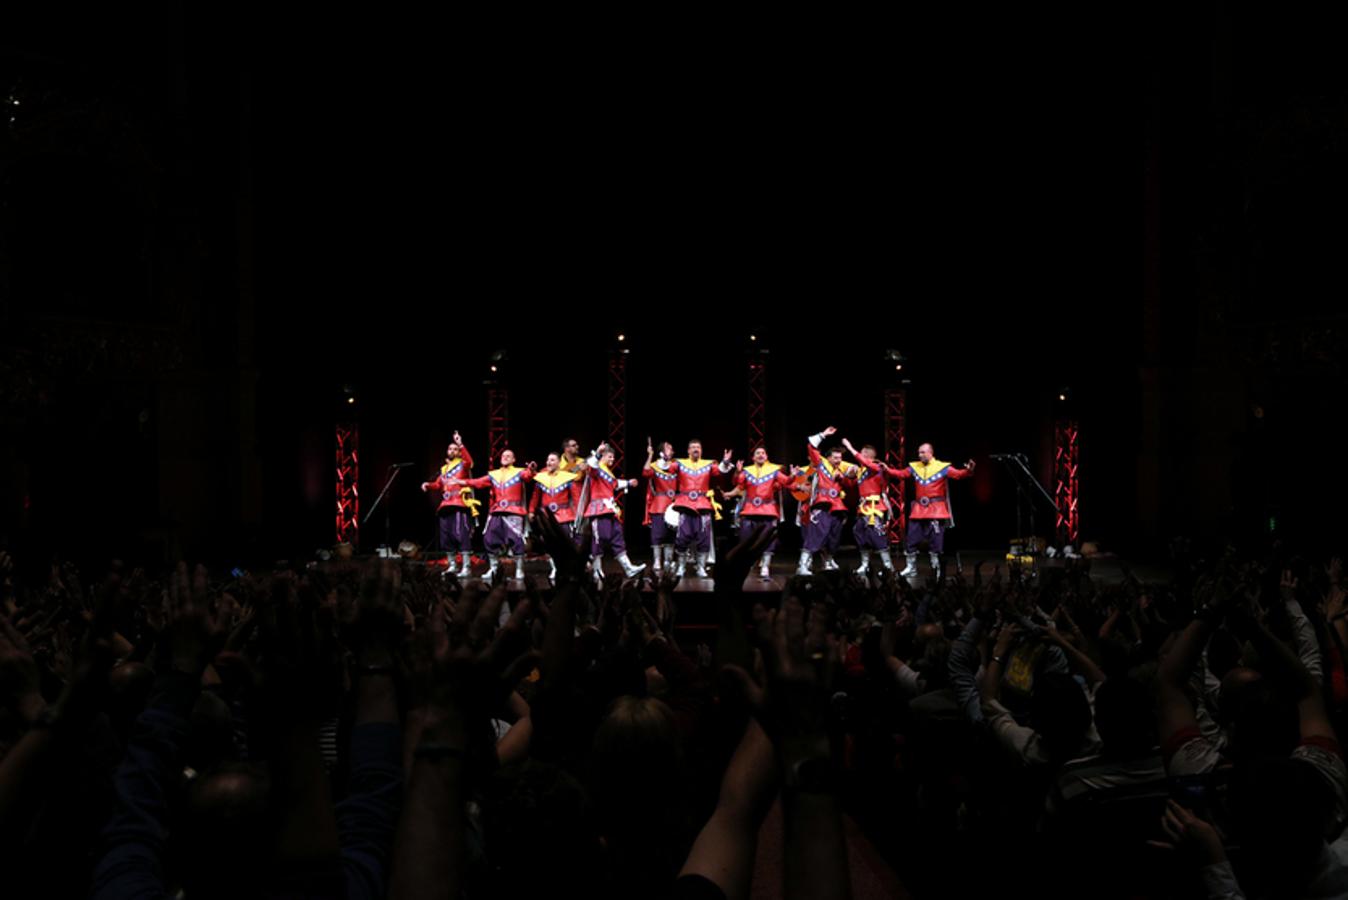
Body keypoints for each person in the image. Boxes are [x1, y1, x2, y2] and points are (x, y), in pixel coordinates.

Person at [888, 443, 975, 579]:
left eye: (922, 452)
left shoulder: (942, 467)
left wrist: (969, 470)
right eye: (918, 453)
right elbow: (901, 474)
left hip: (936, 510)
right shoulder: (914, 467)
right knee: (911, 539)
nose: (920, 455)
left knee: (936, 541)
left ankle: (936, 568)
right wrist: (886, 469)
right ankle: (911, 568)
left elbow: (959, 475)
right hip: (918, 510)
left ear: (930, 453)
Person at [450, 449, 536, 581]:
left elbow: (528, 476)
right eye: (503, 456)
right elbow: (478, 482)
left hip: (513, 511)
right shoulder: (494, 474)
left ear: (514, 460)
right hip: (496, 511)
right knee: (489, 538)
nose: (505, 457)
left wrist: (531, 469)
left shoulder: (519, 472)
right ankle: (494, 568)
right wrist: (461, 482)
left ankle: (519, 570)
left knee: (516, 540)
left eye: (508, 456)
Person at [799, 427, 862, 575]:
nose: (838, 460)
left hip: (837, 506)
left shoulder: (841, 467)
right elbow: (811, 446)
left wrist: (850, 473)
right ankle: (803, 565)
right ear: (828, 458)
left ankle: (828, 561)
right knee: (817, 534)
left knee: (834, 535)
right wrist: (823, 434)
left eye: (840, 458)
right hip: (822, 504)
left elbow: (855, 471)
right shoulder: (821, 463)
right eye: (835, 458)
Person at [667, 440, 734, 578]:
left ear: (701, 450)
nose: (696, 449)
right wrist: (667, 458)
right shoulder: (679, 463)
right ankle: (681, 566)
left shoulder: (709, 465)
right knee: (682, 536)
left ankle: (701, 567)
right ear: (688, 451)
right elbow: (668, 469)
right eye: (693, 447)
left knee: (703, 537)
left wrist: (725, 462)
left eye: (698, 447)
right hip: (685, 504)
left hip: (703, 504)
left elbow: (719, 472)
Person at [840, 437, 905, 575]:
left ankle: (888, 567)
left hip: (875, 507)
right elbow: (851, 485)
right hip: (863, 507)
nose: (859, 456)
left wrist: (850, 447)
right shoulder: (862, 470)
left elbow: (862, 461)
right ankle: (864, 564)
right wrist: (844, 476)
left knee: (877, 536)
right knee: (860, 534)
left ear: (869, 456)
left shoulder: (877, 466)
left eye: (862, 454)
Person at [732, 447, 799, 579]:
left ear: (766, 456)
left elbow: (786, 482)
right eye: (758, 453)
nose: (761, 455)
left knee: (768, 539)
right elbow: (739, 485)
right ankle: (747, 564)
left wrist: (792, 475)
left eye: (763, 453)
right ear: (753, 457)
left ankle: (765, 566)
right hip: (749, 509)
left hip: (767, 510)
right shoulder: (747, 471)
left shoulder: (773, 471)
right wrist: (737, 472)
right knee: (746, 538)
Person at [581, 445, 646, 581]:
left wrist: (629, 483)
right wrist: (598, 453)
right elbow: (592, 465)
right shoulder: (596, 468)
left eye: (613, 456)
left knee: (617, 536)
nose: (613, 459)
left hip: (610, 509)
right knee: (600, 539)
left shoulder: (607, 472)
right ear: (603, 456)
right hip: (598, 510)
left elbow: (615, 484)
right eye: (610, 456)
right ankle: (596, 570)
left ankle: (628, 568)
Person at [420, 431, 479, 577]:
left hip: (459, 504)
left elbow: (470, 461)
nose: (452, 451)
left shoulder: (463, 465)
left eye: (455, 449)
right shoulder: (444, 469)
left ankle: (466, 567)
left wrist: (460, 443)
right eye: (450, 449)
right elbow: (439, 484)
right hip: (446, 505)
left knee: (461, 535)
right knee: (446, 537)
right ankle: (452, 565)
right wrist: (428, 485)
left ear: (459, 452)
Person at [529, 452, 582, 582]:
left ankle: (568, 567)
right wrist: (531, 511)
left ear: (558, 463)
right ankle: (555, 568)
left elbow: (576, 497)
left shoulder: (567, 477)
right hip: (546, 517)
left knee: (566, 543)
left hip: (563, 516)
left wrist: (578, 514)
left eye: (552, 460)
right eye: (547, 460)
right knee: (549, 544)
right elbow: (535, 497)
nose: (549, 462)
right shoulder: (541, 478)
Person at [642, 439, 679, 575]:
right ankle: (657, 560)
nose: (671, 450)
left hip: (673, 503)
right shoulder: (655, 466)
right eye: (668, 448)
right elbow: (645, 473)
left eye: (671, 448)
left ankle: (668, 561)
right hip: (659, 503)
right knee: (657, 533)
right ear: (661, 451)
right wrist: (650, 455)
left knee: (671, 534)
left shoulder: (675, 466)